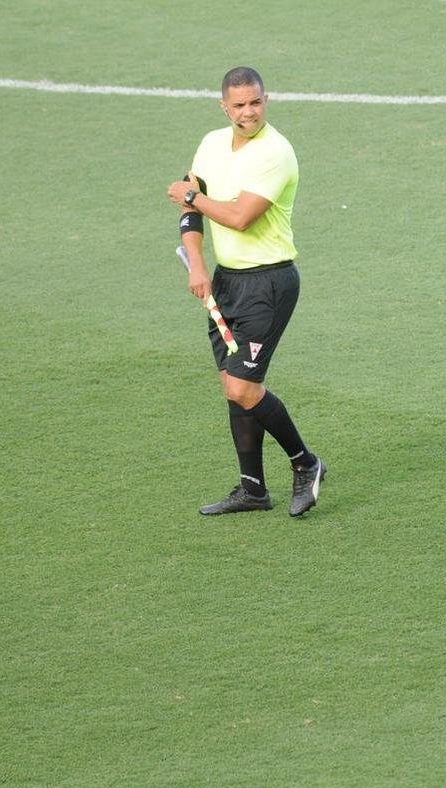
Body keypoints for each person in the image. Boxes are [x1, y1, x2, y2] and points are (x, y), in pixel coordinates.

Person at [166, 66, 325, 517]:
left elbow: (239, 217)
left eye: (255, 102)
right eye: (238, 105)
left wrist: (193, 197)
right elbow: (189, 213)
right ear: (224, 106)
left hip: (269, 282)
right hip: (226, 280)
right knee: (232, 386)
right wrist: (197, 265)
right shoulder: (211, 144)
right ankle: (253, 489)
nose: (248, 112)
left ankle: (306, 463)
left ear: (265, 100)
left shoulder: (276, 152)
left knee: (243, 386)